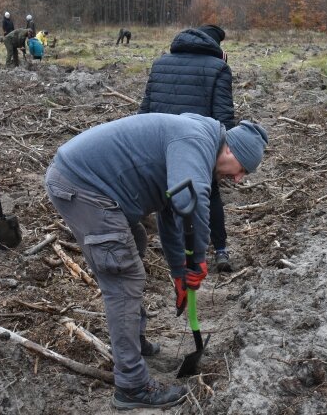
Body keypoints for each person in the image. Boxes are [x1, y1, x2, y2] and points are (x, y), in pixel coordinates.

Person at [44, 113, 267, 409]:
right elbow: (192, 201)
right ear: (231, 151)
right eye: (243, 170)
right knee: (123, 278)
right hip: (83, 186)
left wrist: (179, 271)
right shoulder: (196, 142)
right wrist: (198, 260)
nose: (238, 179)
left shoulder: (200, 139)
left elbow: (171, 212)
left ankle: (134, 343)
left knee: (133, 241)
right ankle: (132, 386)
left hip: (91, 184)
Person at [139, 25, 235, 272]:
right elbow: (224, 117)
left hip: (158, 144)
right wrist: (220, 152)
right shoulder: (219, 69)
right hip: (197, 144)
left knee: (164, 197)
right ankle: (219, 250)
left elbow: (145, 110)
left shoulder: (160, 64)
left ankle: (176, 254)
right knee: (209, 194)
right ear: (216, 47)